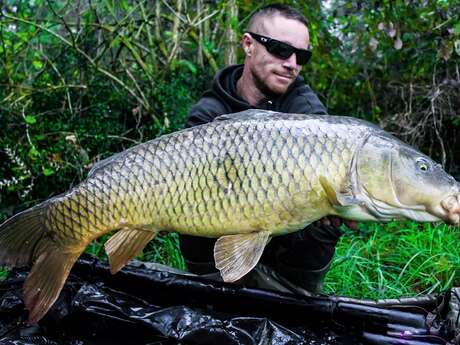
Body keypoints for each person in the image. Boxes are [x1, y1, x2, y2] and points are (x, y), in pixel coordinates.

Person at [180, 4, 343, 293]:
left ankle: (287, 293)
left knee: (323, 222)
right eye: (281, 50)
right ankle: (216, 291)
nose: (292, 63)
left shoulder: (307, 114)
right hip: (215, 256)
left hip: (286, 266)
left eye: (301, 55)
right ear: (248, 44)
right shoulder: (208, 113)